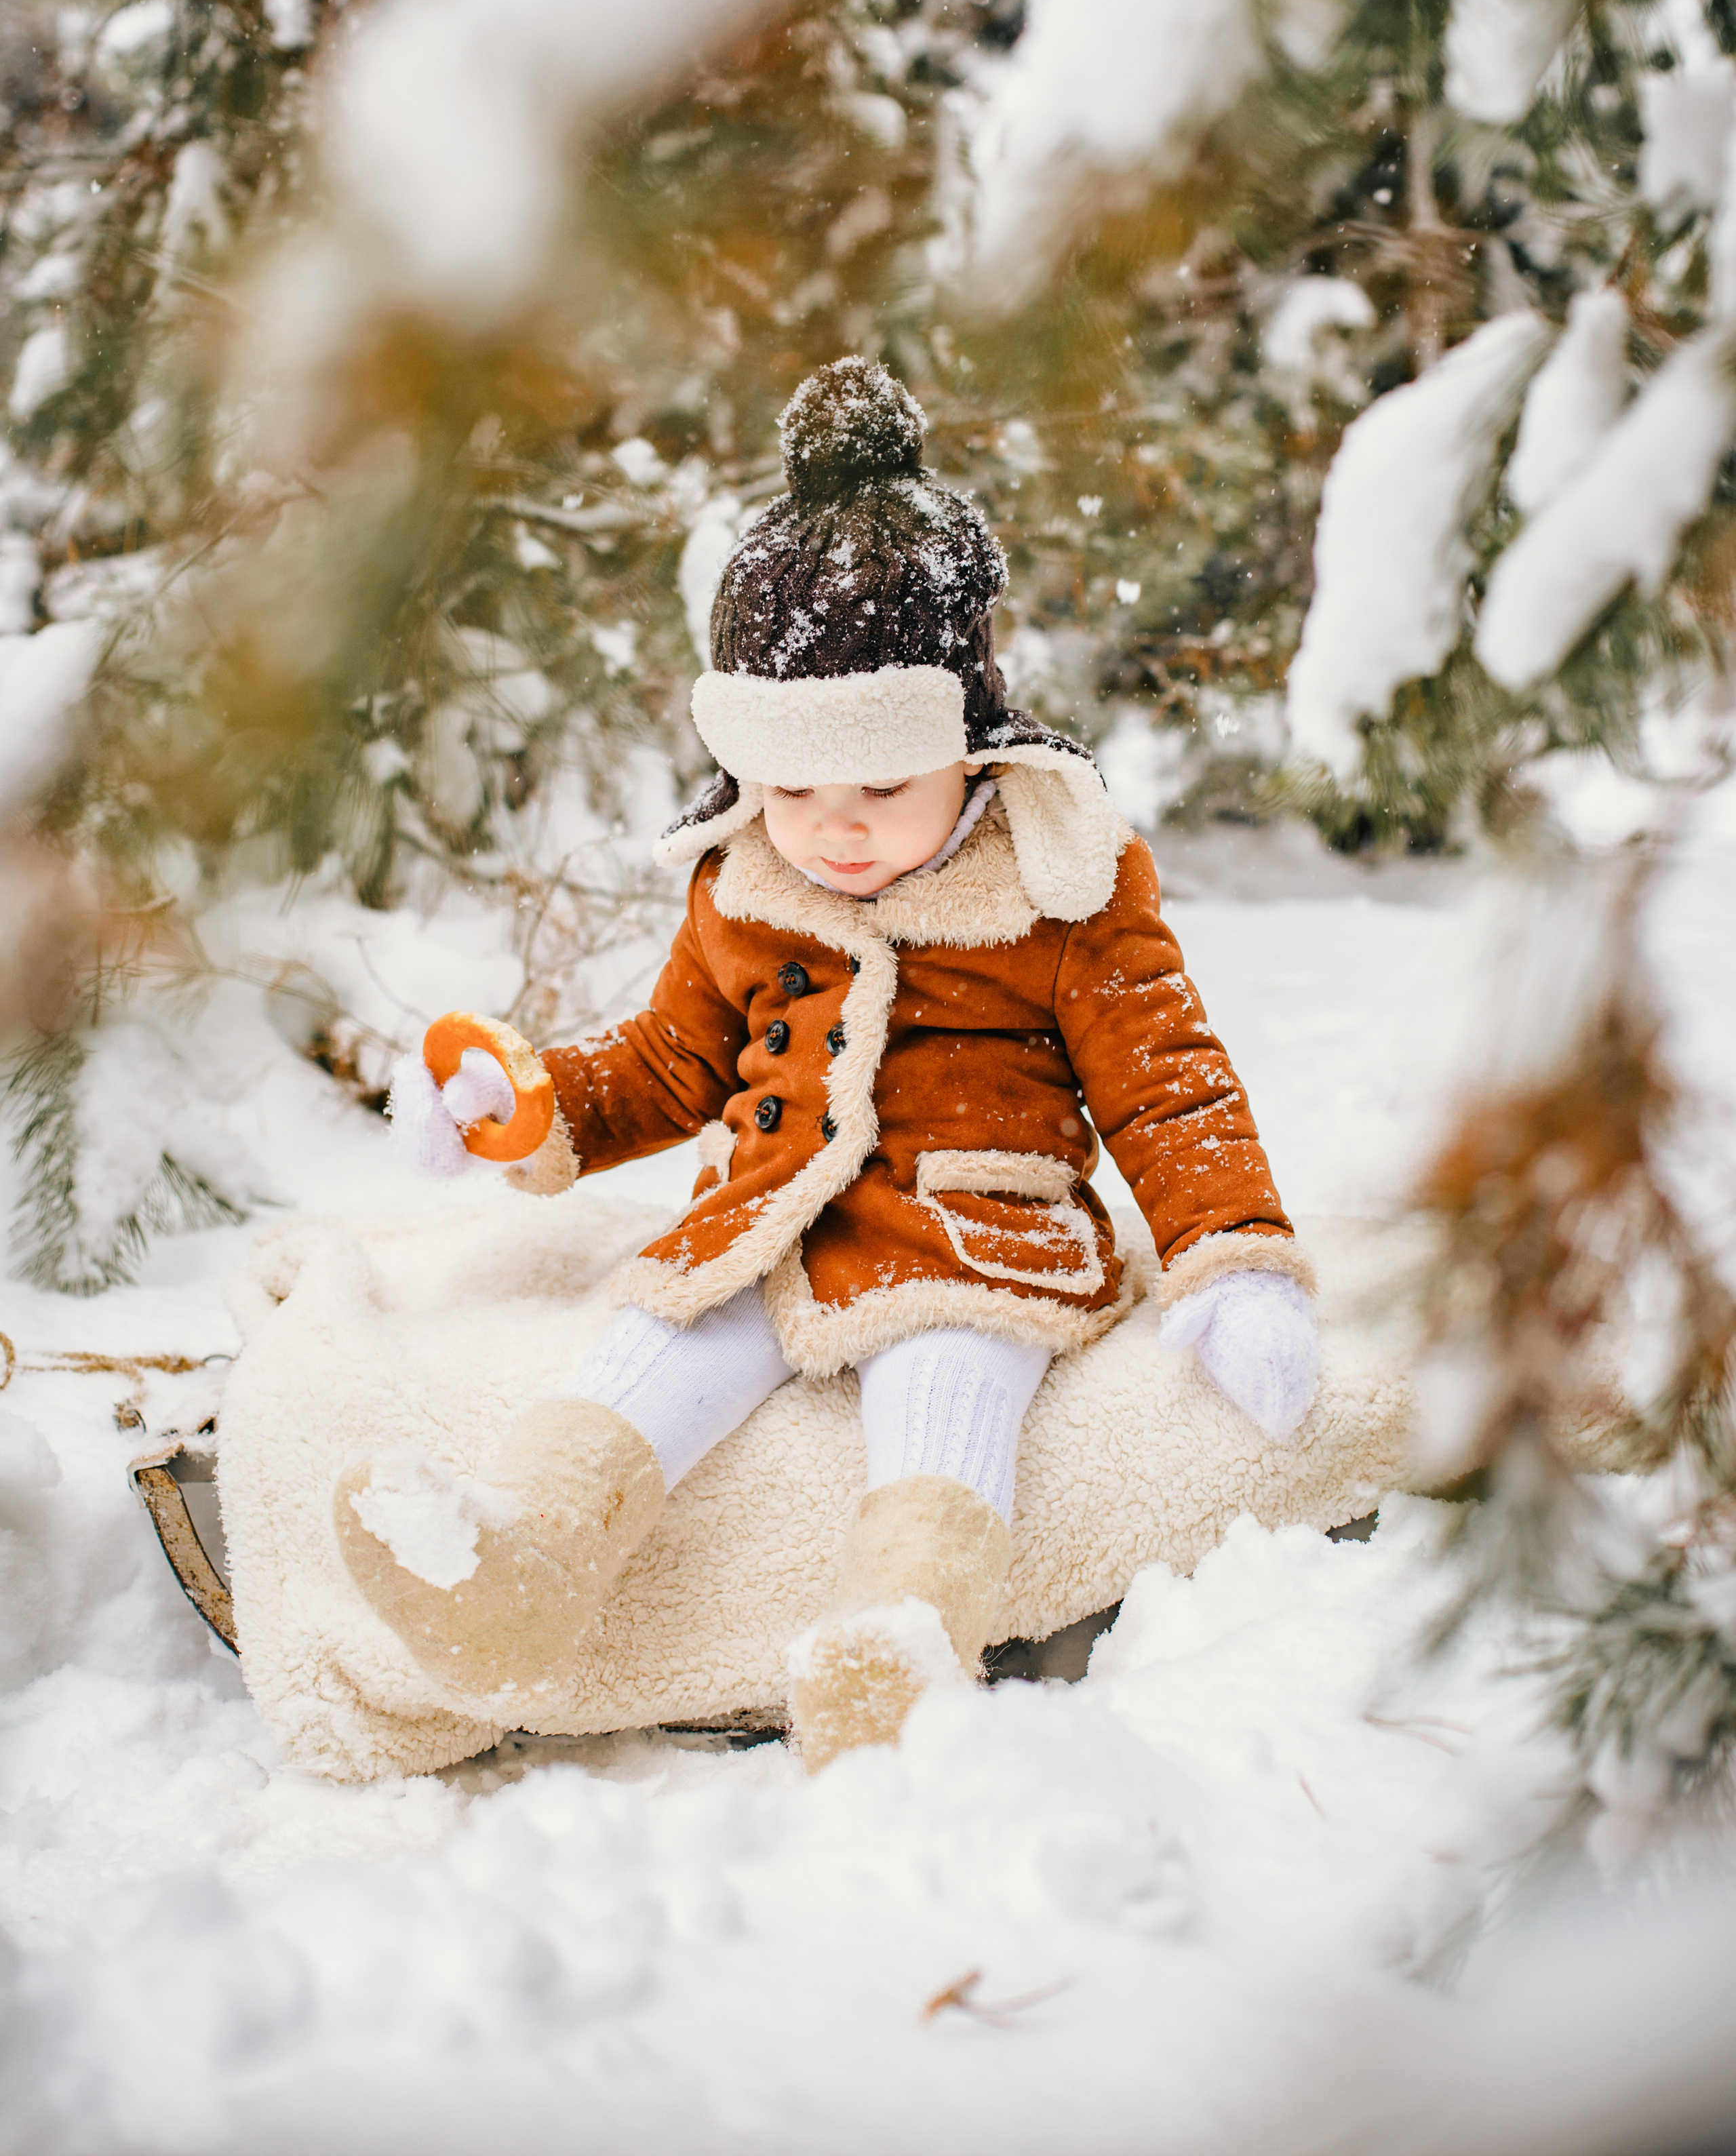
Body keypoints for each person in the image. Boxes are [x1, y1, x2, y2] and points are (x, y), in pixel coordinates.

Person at [335, 359, 1319, 1770]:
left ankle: (894, 1647)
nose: (834, 829)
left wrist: (1232, 1259)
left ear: (966, 742)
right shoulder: (744, 881)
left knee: (944, 1399)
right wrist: (531, 1099)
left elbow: (1168, 1083)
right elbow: (671, 1059)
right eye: (792, 787)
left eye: (878, 788)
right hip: (767, 1220)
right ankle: (515, 1571)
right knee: (650, 1351)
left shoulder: (1061, 881)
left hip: (974, 1235)